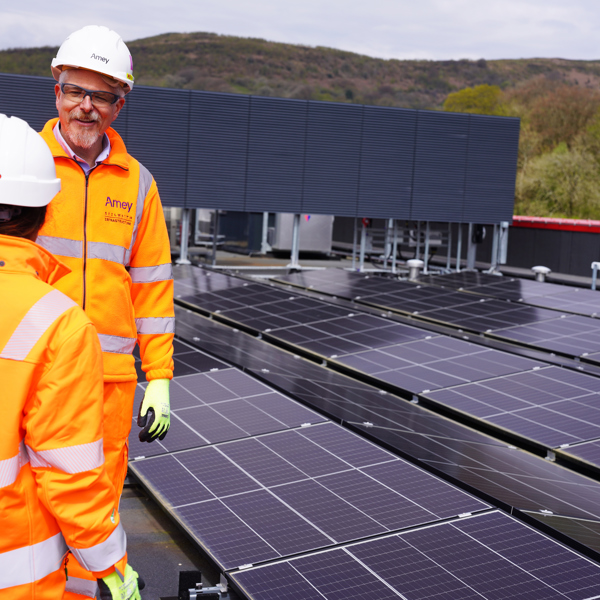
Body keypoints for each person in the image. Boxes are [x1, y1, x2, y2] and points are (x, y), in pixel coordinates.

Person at [37, 25, 175, 598]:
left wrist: (160, 378)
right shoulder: (24, 167)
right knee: (34, 498)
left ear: (120, 104)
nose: (85, 107)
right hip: (37, 375)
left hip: (112, 382)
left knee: (99, 498)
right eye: (76, 91)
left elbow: (153, 287)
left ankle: (88, 588)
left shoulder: (139, 185)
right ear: (56, 91)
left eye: (101, 95)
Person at [0, 114, 141, 599]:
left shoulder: (139, 182)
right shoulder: (58, 323)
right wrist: (112, 564)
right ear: (44, 213)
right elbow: (68, 473)